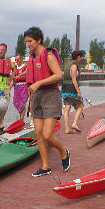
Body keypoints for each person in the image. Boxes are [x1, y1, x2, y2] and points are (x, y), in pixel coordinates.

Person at [24, 26, 70, 177]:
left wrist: (39, 83)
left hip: (50, 95)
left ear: (38, 40)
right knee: (38, 133)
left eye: (30, 41)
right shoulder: (32, 57)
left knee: (47, 135)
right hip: (37, 96)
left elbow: (58, 75)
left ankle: (63, 153)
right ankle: (45, 166)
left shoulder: (48, 55)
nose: (28, 44)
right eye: (26, 42)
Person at [61, 50, 84, 134]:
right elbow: (74, 79)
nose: (81, 59)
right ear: (78, 57)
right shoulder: (74, 65)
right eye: (81, 57)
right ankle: (74, 123)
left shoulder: (67, 63)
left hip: (64, 87)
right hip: (71, 88)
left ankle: (67, 129)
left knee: (67, 108)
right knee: (80, 105)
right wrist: (78, 92)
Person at [11, 53, 29, 121]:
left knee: (23, 102)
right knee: (16, 102)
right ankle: (20, 118)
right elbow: (12, 79)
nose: (16, 61)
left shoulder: (25, 67)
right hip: (16, 87)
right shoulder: (15, 68)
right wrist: (9, 88)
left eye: (18, 59)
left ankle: (21, 119)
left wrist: (20, 75)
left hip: (24, 86)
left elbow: (27, 72)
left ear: (21, 59)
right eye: (15, 59)